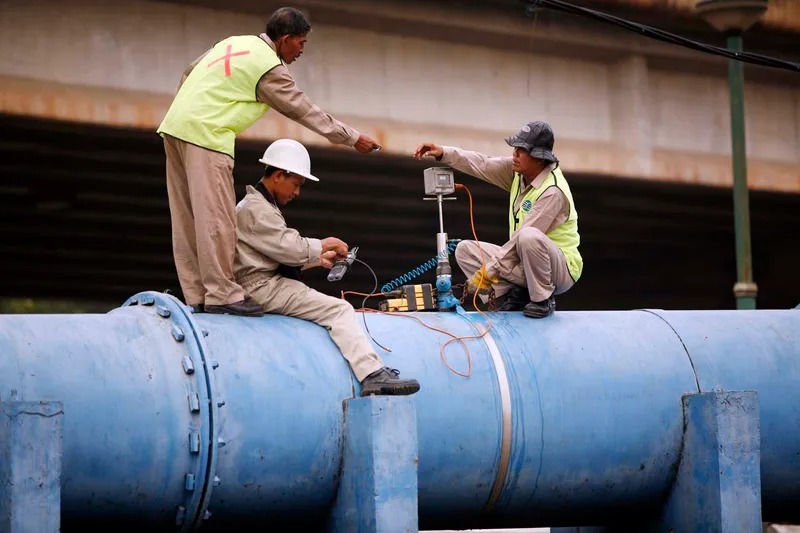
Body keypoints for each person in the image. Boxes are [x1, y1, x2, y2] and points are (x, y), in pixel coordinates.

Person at [157, 7, 380, 316]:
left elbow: (188, 72)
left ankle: (196, 295)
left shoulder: (233, 43)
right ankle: (222, 294)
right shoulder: (269, 68)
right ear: (285, 39)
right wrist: (352, 137)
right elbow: (304, 110)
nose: (302, 50)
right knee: (217, 218)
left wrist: (190, 108)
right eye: (300, 43)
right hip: (207, 134)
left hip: (175, 126)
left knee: (187, 219)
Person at [234, 138, 420, 396]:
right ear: (278, 175)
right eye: (296, 184)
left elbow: (270, 253)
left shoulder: (258, 205)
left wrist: (316, 260)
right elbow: (289, 247)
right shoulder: (257, 209)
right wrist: (324, 244)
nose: (297, 192)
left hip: (258, 282)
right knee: (340, 309)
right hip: (262, 288)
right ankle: (371, 373)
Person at [413, 121, 582, 318]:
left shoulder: (552, 191)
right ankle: (515, 295)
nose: (515, 154)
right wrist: (444, 152)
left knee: (528, 236)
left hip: (558, 271)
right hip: (524, 258)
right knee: (465, 250)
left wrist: (488, 272)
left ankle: (542, 299)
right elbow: (482, 163)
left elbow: (520, 239)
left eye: (522, 150)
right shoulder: (518, 173)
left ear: (539, 158)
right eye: (515, 148)